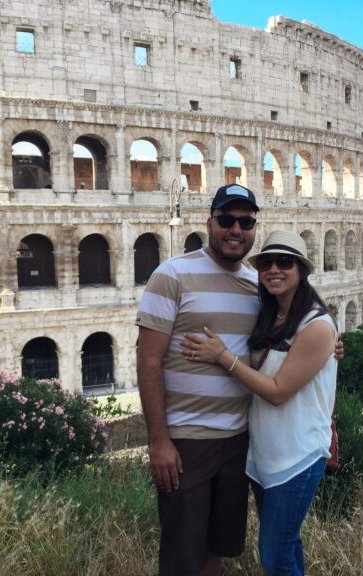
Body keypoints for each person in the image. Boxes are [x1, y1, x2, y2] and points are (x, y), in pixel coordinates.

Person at [181, 230, 338, 576]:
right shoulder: (269, 315)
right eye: (266, 263)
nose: (273, 269)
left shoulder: (316, 326)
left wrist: (223, 357)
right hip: (264, 454)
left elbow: (278, 391)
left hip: (298, 456)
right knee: (287, 545)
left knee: (274, 555)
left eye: (285, 262)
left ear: (301, 270)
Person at [136, 183, 261, 576]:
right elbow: (148, 360)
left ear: (254, 228)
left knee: (216, 549)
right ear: (210, 223)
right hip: (187, 440)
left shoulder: (257, 285)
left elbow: (295, 330)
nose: (236, 230)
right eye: (227, 220)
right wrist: (159, 440)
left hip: (237, 439)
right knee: (182, 558)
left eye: (245, 222)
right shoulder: (172, 275)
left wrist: (329, 345)